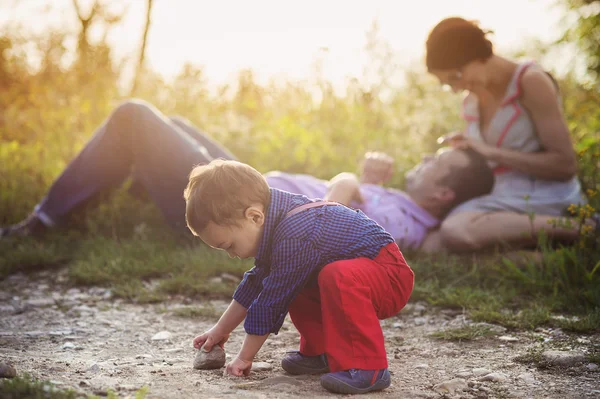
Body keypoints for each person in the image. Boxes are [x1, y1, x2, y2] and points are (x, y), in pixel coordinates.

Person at [0, 99, 495, 251]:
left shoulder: (411, 224)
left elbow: (358, 228)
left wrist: (349, 183)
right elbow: (353, 199)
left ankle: (44, 221)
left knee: (135, 116)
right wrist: (365, 177)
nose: (423, 161)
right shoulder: (398, 199)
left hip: (236, 207)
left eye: (436, 165)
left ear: (444, 191)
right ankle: (133, 194)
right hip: (252, 182)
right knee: (173, 125)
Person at [186, 159, 414, 394]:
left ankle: (369, 368)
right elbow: (255, 284)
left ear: (254, 217)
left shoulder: (295, 234)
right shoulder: (275, 224)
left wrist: (244, 357)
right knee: (304, 277)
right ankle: (321, 352)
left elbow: (271, 301)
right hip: (360, 275)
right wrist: (220, 330)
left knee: (331, 275)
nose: (231, 255)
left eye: (228, 245)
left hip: (388, 276)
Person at [424, 17, 590, 252]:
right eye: (447, 84)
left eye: (455, 77)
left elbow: (565, 166)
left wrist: (491, 152)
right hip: (502, 194)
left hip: (543, 194)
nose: (455, 88)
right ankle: (540, 256)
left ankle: (582, 228)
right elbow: (486, 158)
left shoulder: (530, 81)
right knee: (431, 245)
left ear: (472, 54)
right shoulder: (471, 100)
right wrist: (467, 150)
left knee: (456, 230)